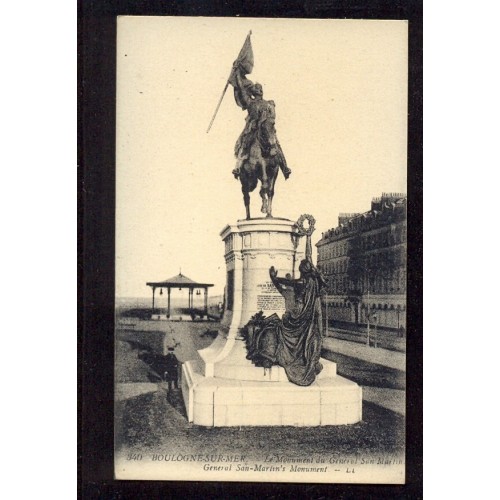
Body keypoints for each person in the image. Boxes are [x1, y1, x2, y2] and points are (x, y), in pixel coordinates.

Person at [228, 63, 291, 180]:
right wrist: (237, 75)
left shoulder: (269, 104)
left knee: (276, 144)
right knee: (244, 143)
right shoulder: (250, 103)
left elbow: (273, 116)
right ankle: (238, 166)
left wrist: (267, 122)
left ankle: (284, 167)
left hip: (267, 128)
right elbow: (241, 89)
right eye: (257, 89)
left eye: (261, 88)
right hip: (252, 128)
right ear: (253, 91)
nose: (260, 90)